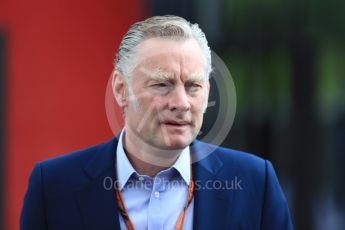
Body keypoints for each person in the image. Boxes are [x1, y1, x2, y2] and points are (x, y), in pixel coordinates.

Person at [20, 15, 293, 230]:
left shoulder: (255, 183)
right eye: (162, 84)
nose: (181, 102)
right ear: (121, 89)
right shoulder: (54, 188)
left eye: (193, 86)